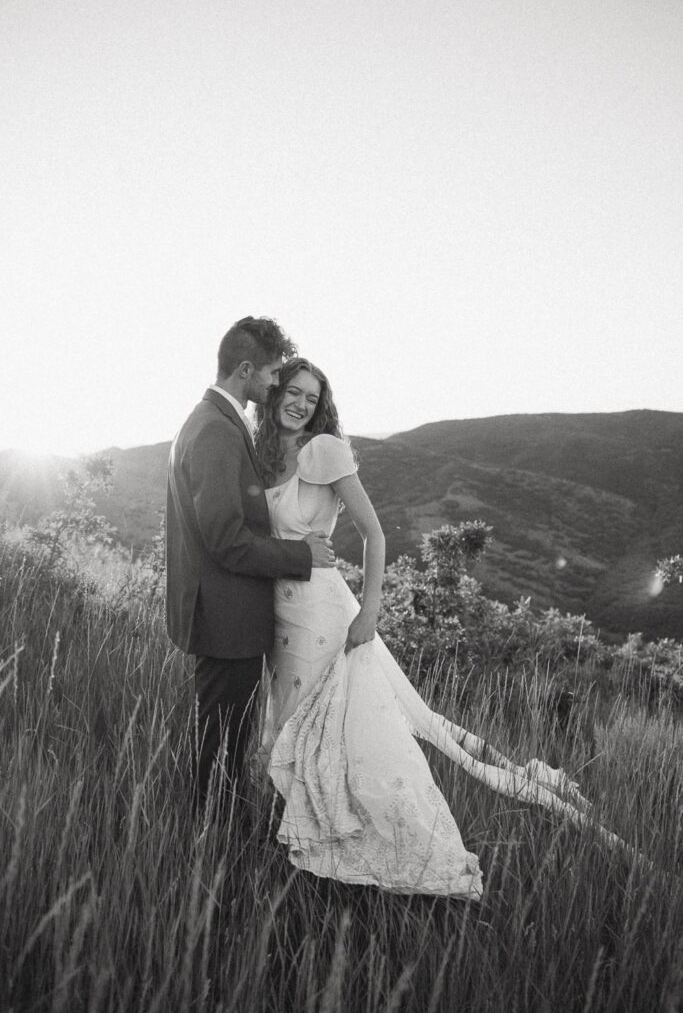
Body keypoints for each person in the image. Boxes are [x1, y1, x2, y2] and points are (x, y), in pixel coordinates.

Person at [255, 358, 629, 898]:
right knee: (290, 727)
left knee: (341, 735)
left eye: (311, 398)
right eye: (293, 392)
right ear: (275, 394)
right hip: (281, 615)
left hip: (325, 616)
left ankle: (385, 847)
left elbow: (375, 535)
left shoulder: (324, 450)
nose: (300, 405)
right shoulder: (265, 454)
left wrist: (371, 610)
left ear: (321, 405)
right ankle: (301, 839)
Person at [166, 318, 336, 812]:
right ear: (245, 370)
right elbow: (225, 540)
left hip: (222, 615)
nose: (275, 384)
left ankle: (213, 823)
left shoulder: (208, 420)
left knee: (220, 739)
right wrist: (301, 555)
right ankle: (213, 835)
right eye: (271, 374)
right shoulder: (217, 430)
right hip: (227, 619)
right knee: (221, 746)